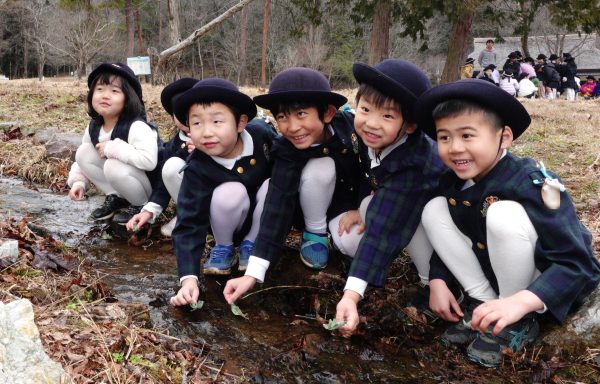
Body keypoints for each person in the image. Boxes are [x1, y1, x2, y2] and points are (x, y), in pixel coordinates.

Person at [414, 78, 600, 367]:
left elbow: (576, 263)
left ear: (505, 137)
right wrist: (438, 278)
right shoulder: (451, 181)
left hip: (541, 287)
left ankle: (517, 320)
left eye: (467, 135)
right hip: (494, 276)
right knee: (434, 210)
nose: (455, 148)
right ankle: (485, 307)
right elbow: (455, 230)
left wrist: (521, 302)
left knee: (502, 213)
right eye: (444, 137)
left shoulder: (531, 183)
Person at [223, 67, 370, 305]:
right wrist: (254, 272)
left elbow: (370, 168)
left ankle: (339, 243)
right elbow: (277, 204)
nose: (292, 127)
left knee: (355, 244)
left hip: (345, 206)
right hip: (307, 207)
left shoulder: (352, 128)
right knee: (321, 167)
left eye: (301, 114)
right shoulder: (285, 150)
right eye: (282, 117)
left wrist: (362, 209)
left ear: (328, 113)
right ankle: (315, 234)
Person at [329, 59, 448, 336]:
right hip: (407, 209)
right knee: (356, 229)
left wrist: (351, 295)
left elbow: (383, 229)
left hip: (453, 227)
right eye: (366, 109)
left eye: (387, 116)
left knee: (428, 214)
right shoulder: (370, 139)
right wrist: (361, 207)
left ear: (409, 125)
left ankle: (436, 281)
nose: (371, 123)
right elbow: (369, 175)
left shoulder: (416, 161)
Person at [169, 78, 277, 308]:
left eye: (217, 121)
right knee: (231, 192)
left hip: (263, 220)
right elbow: (189, 223)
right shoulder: (197, 166)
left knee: (273, 185)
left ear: (241, 123)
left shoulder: (261, 137)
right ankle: (224, 247)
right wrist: (188, 278)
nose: (206, 133)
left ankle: (252, 244)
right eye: (196, 123)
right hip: (226, 223)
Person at [67, 61, 159, 223]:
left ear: (128, 98)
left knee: (112, 165)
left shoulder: (136, 126)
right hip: (121, 179)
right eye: (100, 89)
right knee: (84, 152)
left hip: (146, 185)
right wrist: (79, 182)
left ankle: (139, 205)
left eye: (115, 91)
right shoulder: (94, 126)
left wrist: (114, 149)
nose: (105, 95)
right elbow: (82, 161)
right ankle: (116, 197)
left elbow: (149, 161)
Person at [125, 77, 198, 236]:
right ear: (173, 117)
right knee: (170, 167)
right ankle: (187, 216)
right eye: (180, 112)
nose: (188, 118)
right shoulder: (173, 146)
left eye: (194, 111)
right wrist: (149, 211)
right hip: (194, 201)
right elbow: (162, 186)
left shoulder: (221, 137)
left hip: (223, 201)